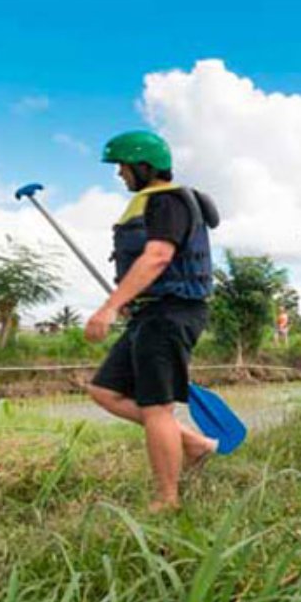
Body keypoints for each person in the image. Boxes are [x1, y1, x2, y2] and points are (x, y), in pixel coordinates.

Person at [84, 130, 220, 513]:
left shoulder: (167, 201)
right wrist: (132, 299)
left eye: (123, 166)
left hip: (171, 313)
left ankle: (167, 499)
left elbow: (158, 256)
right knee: (104, 390)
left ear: (144, 166)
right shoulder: (153, 203)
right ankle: (195, 444)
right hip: (151, 312)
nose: (120, 174)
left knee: (156, 407)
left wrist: (110, 307)